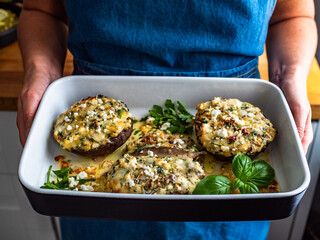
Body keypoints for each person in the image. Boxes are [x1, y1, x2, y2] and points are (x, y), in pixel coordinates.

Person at [16, 0, 317, 239]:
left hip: (236, 136)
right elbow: (42, 10)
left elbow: (292, 16)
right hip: (97, 181)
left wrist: (289, 77)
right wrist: (40, 73)